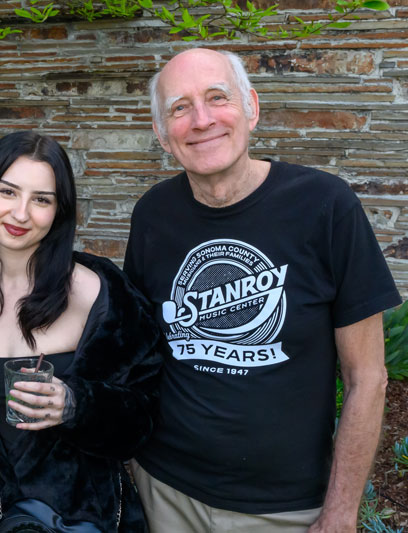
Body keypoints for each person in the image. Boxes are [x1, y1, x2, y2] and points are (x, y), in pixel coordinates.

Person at [124, 48, 402, 533]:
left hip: (285, 509)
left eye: (218, 97)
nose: (202, 119)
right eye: (180, 107)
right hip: (164, 491)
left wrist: (340, 514)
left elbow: (367, 378)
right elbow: (137, 351)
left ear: (251, 107)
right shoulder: (152, 215)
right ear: (162, 134)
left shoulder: (326, 207)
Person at [0, 131, 162, 532]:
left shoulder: (101, 293)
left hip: (81, 521)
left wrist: (75, 404)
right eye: (8, 192)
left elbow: (143, 419)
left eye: (42, 200)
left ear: (59, 211)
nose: (21, 214)